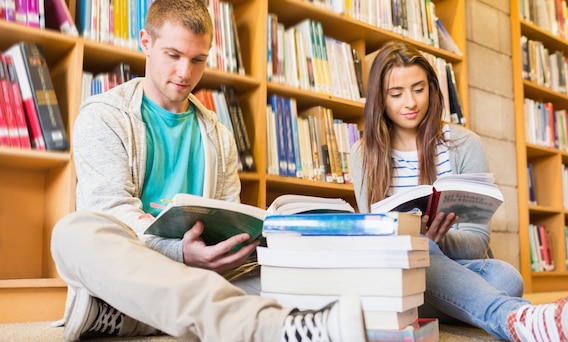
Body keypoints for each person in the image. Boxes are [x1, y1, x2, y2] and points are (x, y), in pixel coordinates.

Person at [50, 0, 367, 341]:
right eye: (173, 55)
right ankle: (274, 328)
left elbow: (225, 219)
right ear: (146, 42)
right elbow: (112, 212)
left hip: (210, 274)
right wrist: (178, 252)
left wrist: (242, 242)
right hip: (132, 267)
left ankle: (129, 317)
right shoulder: (103, 117)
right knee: (72, 233)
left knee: (301, 272)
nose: (185, 73)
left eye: (198, 59)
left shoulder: (219, 135)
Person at [349, 40, 568, 342]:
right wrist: (420, 245)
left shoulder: (464, 144)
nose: (410, 103)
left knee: (507, 277)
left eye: (418, 89)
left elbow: (477, 243)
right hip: (399, 279)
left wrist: (438, 241)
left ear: (432, 88)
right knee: (416, 250)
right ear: (380, 98)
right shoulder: (364, 154)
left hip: (453, 271)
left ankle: (471, 304)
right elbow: (369, 242)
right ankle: (518, 319)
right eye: (396, 94)